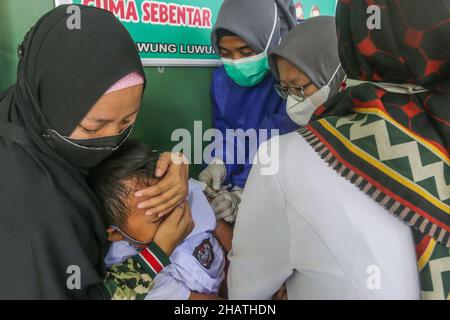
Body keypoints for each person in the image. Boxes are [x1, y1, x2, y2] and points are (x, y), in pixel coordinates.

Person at [227, 0, 450, 298]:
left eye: (300, 87)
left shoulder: (287, 160)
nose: (292, 99)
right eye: (286, 89)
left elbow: (246, 294)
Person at [0, 5, 193, 299]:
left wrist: (169, 162)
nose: (110, 141)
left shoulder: (25, 108)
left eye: (128, 122)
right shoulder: (33, 218)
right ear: (50, 104)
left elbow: (106, 163)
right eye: (93, 128)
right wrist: (156, 254)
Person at [89, 140, 233, 300]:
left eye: (170, 203)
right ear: (116, 234)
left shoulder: (181, 192)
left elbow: (228, 239)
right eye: (156, 218)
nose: (173, 218)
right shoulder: (133, 271)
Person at [199, 0, 298, 223]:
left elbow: (281, 141)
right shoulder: (222, 80)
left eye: (246, 51)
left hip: (280, 186)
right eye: (225, 53)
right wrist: (219, 162)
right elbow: (227, 132)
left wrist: (244, 191)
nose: (236, 62)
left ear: (269, 42)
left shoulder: (290, 81)